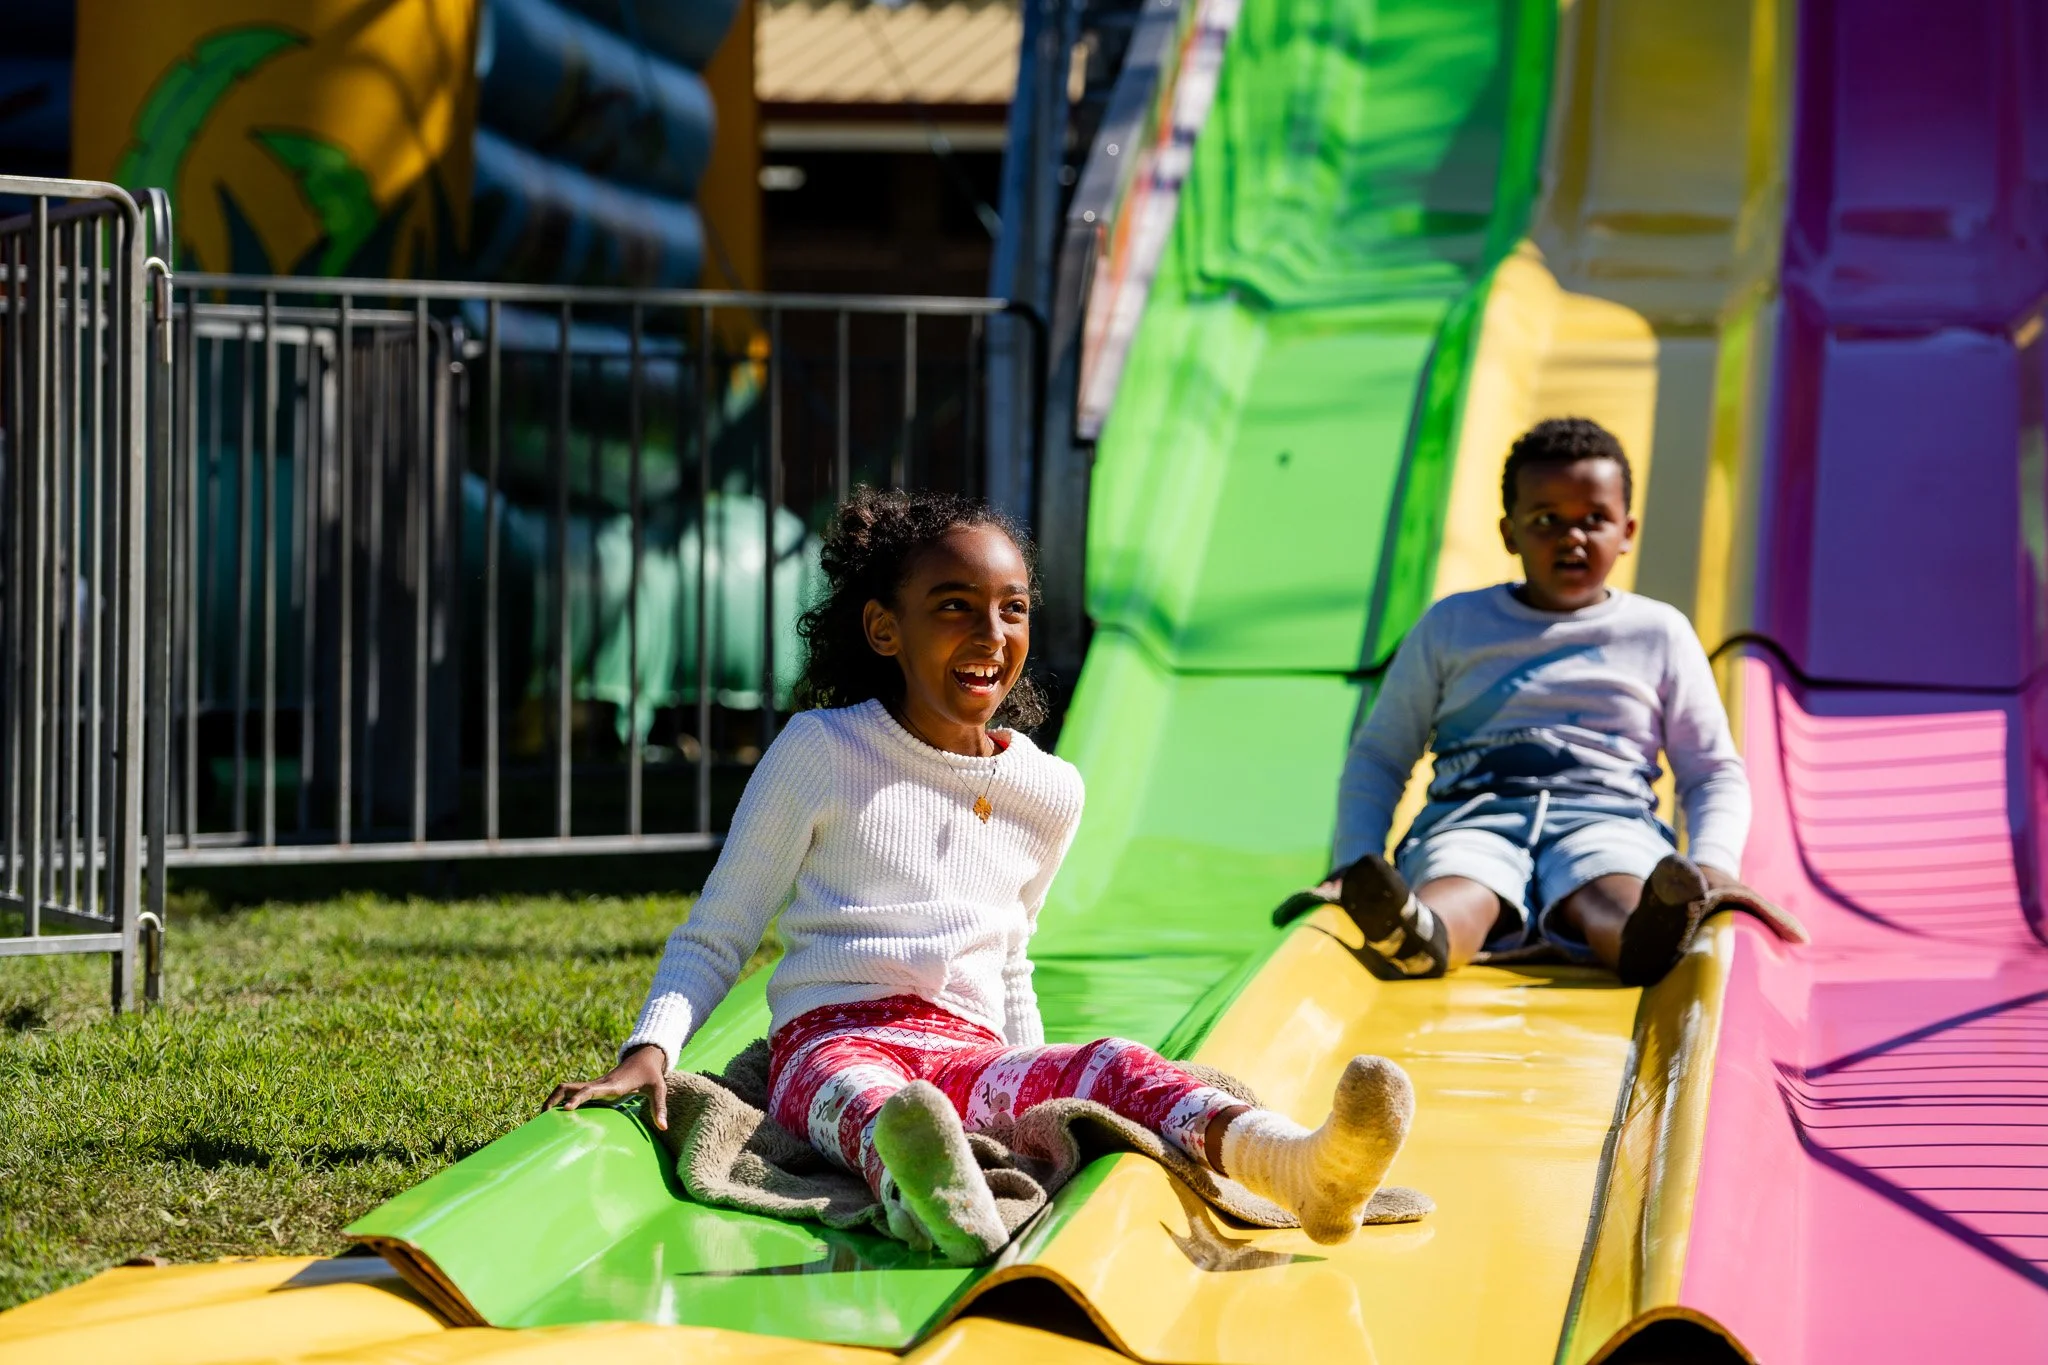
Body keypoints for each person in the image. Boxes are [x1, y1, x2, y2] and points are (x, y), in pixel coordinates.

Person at [548, 488, 1414, 1263]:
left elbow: (1007, 956)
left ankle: (1299, 1165)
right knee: (869, 1097)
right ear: (885, 628)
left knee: (1114, 1062)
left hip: (965, 1048)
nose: (989, 636)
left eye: (1012, 609)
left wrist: (1033, 1066)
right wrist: (648, 1050)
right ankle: (939, 1201)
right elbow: (721, 926)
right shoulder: (821, 751)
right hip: (829, 1036)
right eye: (954, 607)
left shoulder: (1049, 787)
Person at [1322, 417, 1750, 987]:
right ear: (1509, 532)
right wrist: (1355, 858)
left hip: (1606, 814)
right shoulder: (1454, 625)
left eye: (1594, 519)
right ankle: (1419, 934)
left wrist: (1714, 861)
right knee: (1463, 885)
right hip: (1474, 814)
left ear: (1627, 531)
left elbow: (1714, 770)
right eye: (1547, 520)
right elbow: (1381, 755)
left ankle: (1644, 937)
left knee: (1612, 886)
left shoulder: (1657, 633)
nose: (1572, 537)